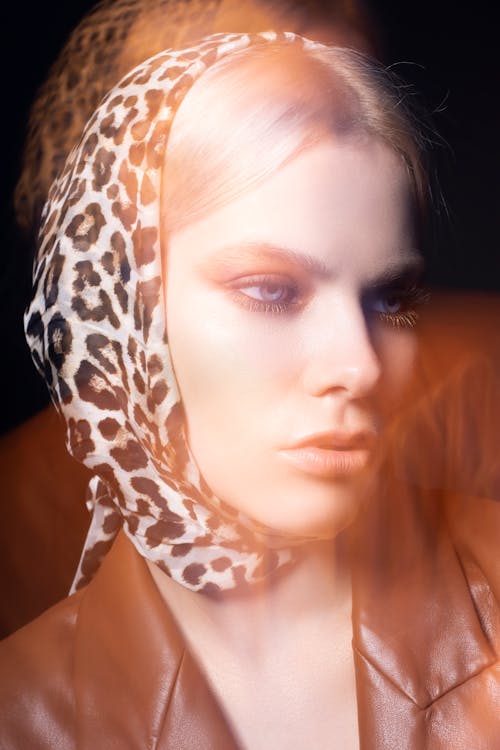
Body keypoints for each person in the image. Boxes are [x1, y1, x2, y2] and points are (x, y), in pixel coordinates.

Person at [0, 30, 498, 749]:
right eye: (271, 291)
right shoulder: (21, 716)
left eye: (391, 299)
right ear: (122, 318)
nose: (358, 366)